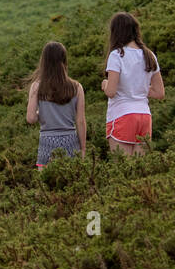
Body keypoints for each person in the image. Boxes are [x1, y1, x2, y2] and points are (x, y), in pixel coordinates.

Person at [101, 11, 165, 154]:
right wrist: (138, 87)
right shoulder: (150, 55)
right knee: (139, 171)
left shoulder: (117, 55)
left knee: (123, 169)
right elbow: (160, 93)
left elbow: (111, 92)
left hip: (121, 115)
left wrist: (105, 84)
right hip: (144, 116)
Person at [26, 41, 87, 167]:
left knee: (47, 183)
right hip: (70, 140)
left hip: (47, 141)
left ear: (44, 62)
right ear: (64, 60)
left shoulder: (37, 86)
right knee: (73, 183)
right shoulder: (77, 87)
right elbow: (80, 121)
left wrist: (41, 113)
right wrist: (83, 149)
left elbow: (30, 118)